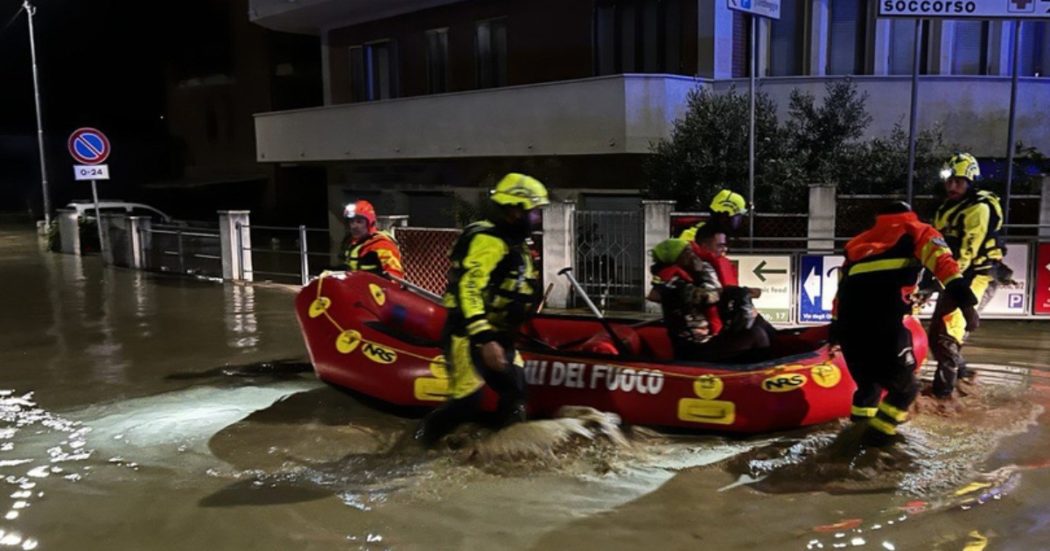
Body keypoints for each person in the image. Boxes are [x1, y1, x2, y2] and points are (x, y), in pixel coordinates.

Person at [415, 173, 549, 446]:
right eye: (533, 212)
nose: (537, 218)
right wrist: (485, 339)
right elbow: (469, 289)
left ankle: (501, 450)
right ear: (514, 211)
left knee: (516, 394)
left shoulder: (516, 243)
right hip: (469, 333)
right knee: (467, 402)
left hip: (500, 333)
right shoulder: (488, 241)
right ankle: (422, 442)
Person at [831, 201, 979, 446]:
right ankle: (876, 440)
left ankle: (853, 436)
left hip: (848, 324)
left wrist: (834, 328)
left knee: (869, 388)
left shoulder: (855, 243)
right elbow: (946, 267)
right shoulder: (917, 231)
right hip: (884, 321)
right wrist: (967, 306)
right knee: (907, 388)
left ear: (878, 217)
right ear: (910, 214)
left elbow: (841, 290)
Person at [927, 153, 1006, 398]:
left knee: (948, 336)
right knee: (935, 335)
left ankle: (944, 398)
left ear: (971, 182)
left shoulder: (978, 209)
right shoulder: (945, 209)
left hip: (977, 277)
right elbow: (936, 248)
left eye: (959, 181)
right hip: (955, 278)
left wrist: (937, 283)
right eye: (949, 181)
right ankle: (964, 375)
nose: (952, 186)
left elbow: (966, 254)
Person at [648, 237, 769, 362]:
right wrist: (741, 292)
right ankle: (759, 376)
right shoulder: (673, 283)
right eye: (687, 252)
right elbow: (706, 297)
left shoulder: (686, 278)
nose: (693, 255)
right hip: (694, 349)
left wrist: (744, 291)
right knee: (757, 335)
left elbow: (714, 292)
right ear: (677, 258)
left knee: (758, 323)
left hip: (708, 340)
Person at [340, 200, 403, 279]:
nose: (354, 226)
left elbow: (395, 275)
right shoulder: (351, 243)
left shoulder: (382, 245)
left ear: (371, 223)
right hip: (354, 288)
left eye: (359, 222)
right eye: (351, 222)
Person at [679, 189, 749, 242]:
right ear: (725, 215)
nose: (740, 220)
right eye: (738, 216)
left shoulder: (718, 237)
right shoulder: (693, 238)